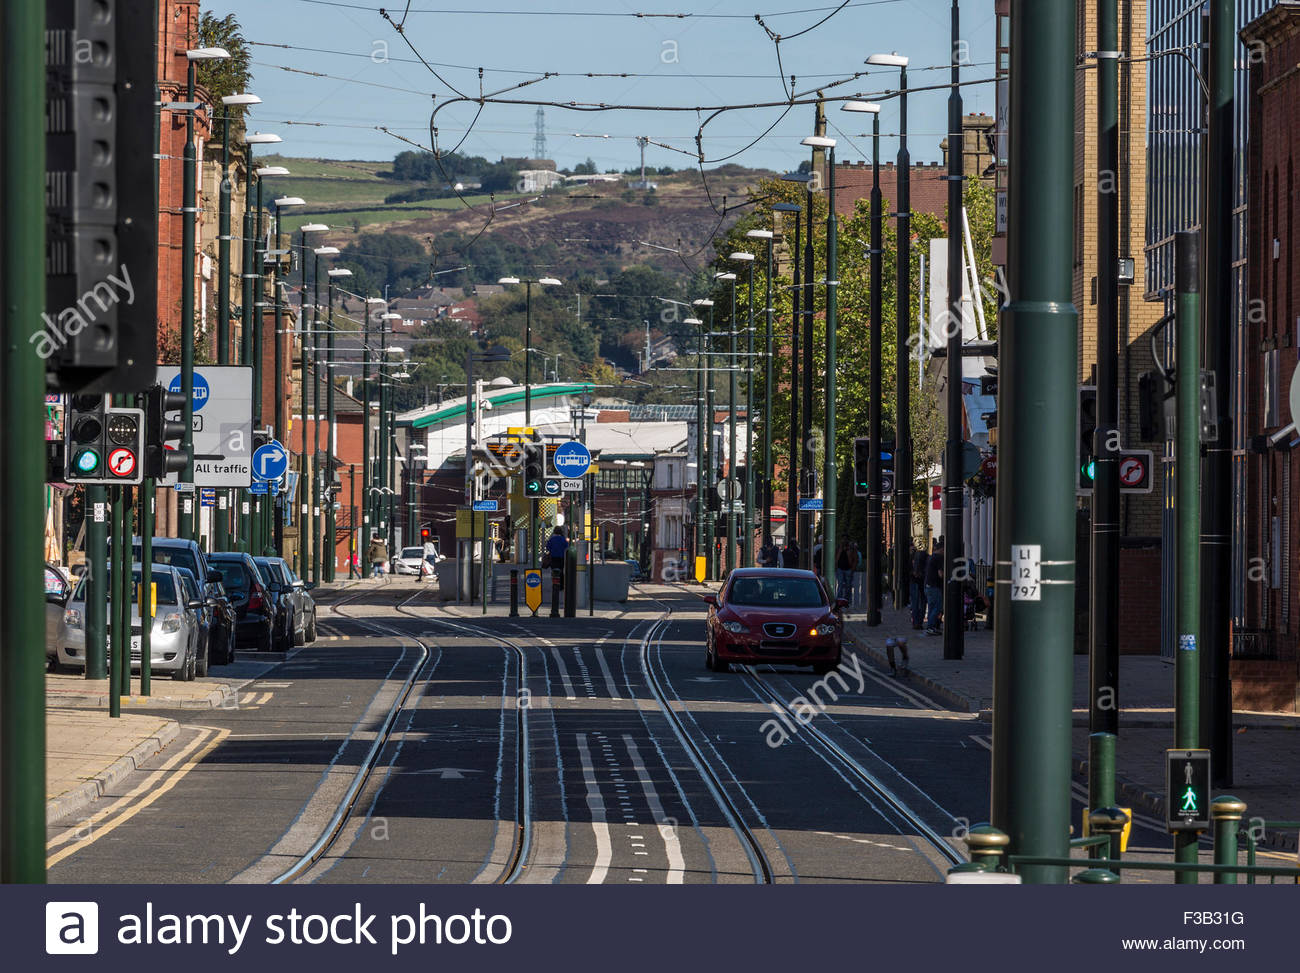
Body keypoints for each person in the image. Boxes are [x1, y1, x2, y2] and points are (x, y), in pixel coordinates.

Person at [924, 536, 944, 635]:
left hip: (928, 585)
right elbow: (941, 574)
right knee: (938, 607)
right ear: (942, 549)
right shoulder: (939, 558)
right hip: (935, 586)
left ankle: (930, 627)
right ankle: (931, 627)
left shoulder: (931, 557)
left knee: (932, 607)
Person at [909, 540, 927, 630]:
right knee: (922, 602)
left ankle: (916, 622)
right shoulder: (925, 555)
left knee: (915, 602)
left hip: (914, 581)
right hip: (922, 581)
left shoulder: (911, 555)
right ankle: (919, 622)